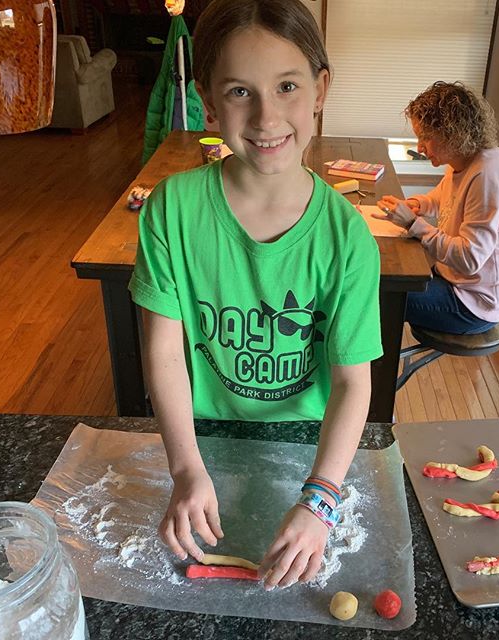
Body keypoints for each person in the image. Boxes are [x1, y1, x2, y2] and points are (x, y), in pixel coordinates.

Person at [128, 0, 382, 590]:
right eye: (240, 91)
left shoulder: (348, 241)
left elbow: (352, 382)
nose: (267, 118)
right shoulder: (173, 210)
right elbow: (165, 354)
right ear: (209, 102)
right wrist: (186, 466)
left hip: (310, 445)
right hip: (203, 435)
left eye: (287, 86)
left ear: (320, 89)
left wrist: (320, 500)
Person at [376, 81, 499, 335]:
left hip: (472, 306)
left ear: (453, 134)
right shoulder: (464, 162)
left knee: (379, 296)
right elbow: (442, 198)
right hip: (453, 282)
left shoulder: (489, 177)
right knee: (379, 288)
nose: (420, 148)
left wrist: (413, 225)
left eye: (426, 138)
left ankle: (372, 372)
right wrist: (417, 205)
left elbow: (470, 259)